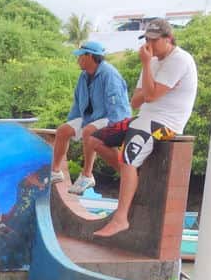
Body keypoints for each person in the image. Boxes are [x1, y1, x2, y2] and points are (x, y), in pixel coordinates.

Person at [83, 19, 197, 237]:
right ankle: (132, 177)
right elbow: (135, 101)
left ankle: (121, 218)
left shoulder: (180, 60)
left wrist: (146, 69)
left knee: (127, 157)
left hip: (167, 123)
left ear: (168, 39)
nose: (149, 45)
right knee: (94, 139)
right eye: (146, 40)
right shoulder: (152, 62)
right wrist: (150, 80)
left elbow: (151, 95)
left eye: (154, 40)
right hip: (144, 118)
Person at [50, 41, 131, 193]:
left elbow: (117, 106)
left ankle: (87, 175)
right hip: (90, 116)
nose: (77, 60)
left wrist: (116, 132)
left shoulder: (109, 74)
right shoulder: (83, 76)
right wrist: (71, 123)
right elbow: (77, 102)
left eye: (80, 56)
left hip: (111, 116)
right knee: (62, 131)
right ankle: (55, 172)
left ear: (90, 56)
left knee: (88, 131)